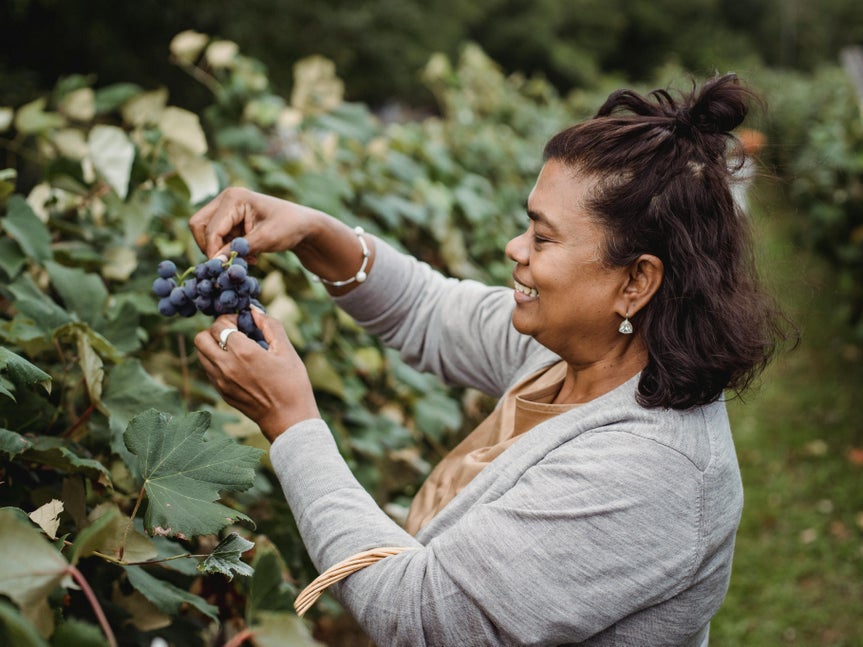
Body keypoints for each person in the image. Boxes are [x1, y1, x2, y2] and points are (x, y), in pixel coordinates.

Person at [191, 73, 791, 646]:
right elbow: (425, 309)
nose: (514, 248)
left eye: (543, 237)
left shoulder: (651, 473)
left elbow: (419, 618)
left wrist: (291, 425)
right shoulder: (577, 353)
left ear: (636, 282)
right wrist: (315, 231)